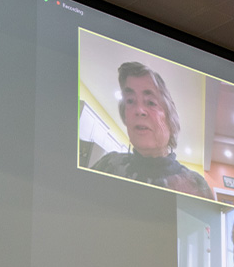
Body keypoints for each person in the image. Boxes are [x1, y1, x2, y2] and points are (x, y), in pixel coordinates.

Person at [91, 62, 213, 199]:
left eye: (150, 102)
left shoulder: (195, 186)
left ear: (170, 118)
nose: (139, 110)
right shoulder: (108, 165)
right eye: (130, 101)